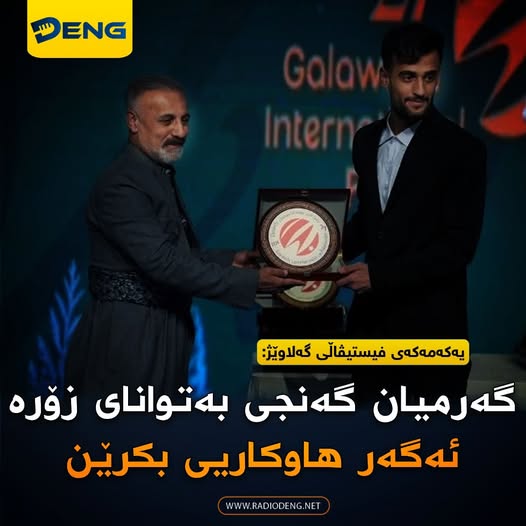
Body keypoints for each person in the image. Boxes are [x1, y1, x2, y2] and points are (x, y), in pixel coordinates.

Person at [65, 75, 304, 396]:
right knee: (125, 426)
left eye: (185, 120)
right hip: (127, 338)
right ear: (133, 122)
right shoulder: (121, 185)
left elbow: (173, 253)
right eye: (167, 121)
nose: (181, 131)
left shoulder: (154, 173)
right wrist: (252, 282)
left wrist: (231, 261)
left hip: (163, 330)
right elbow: (164, 264)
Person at [336, 22, 487, 402]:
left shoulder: (464, 150)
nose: (420, 89)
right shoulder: (365, 140)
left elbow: (458, 249)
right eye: (408, 77)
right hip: (370, 337)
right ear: (384, 76)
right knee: (364, 437)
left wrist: (378, 276)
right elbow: (372, 222)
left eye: (429, 77)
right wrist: (314, 255)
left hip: (432, 340)